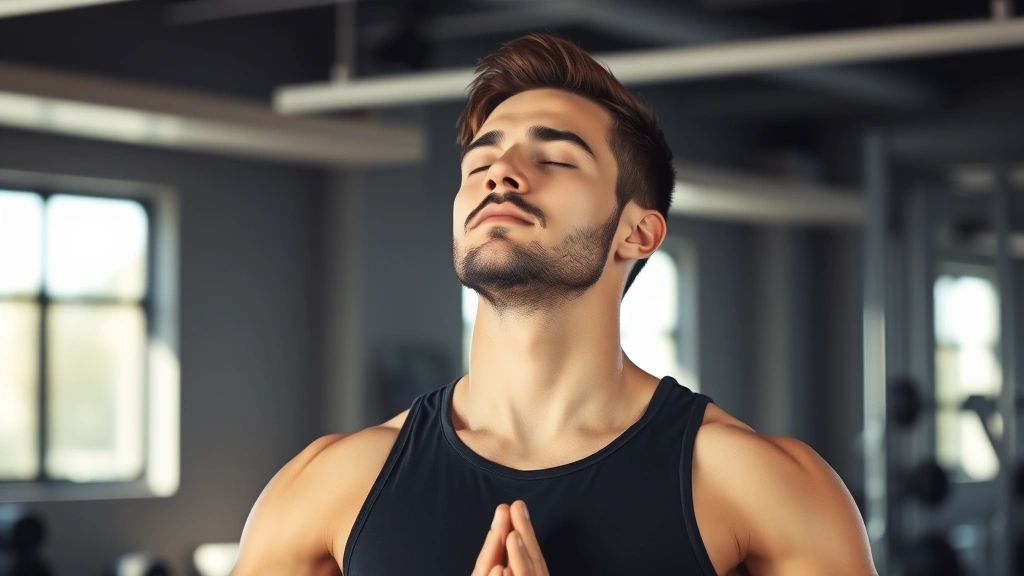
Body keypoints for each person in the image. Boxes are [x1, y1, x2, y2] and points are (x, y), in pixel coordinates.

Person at [231, 33, 877, 576]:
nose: (500, 174)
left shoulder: (763, 489)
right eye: (480, 162)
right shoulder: (328, 486)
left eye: (557, 159)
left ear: (638, 232)